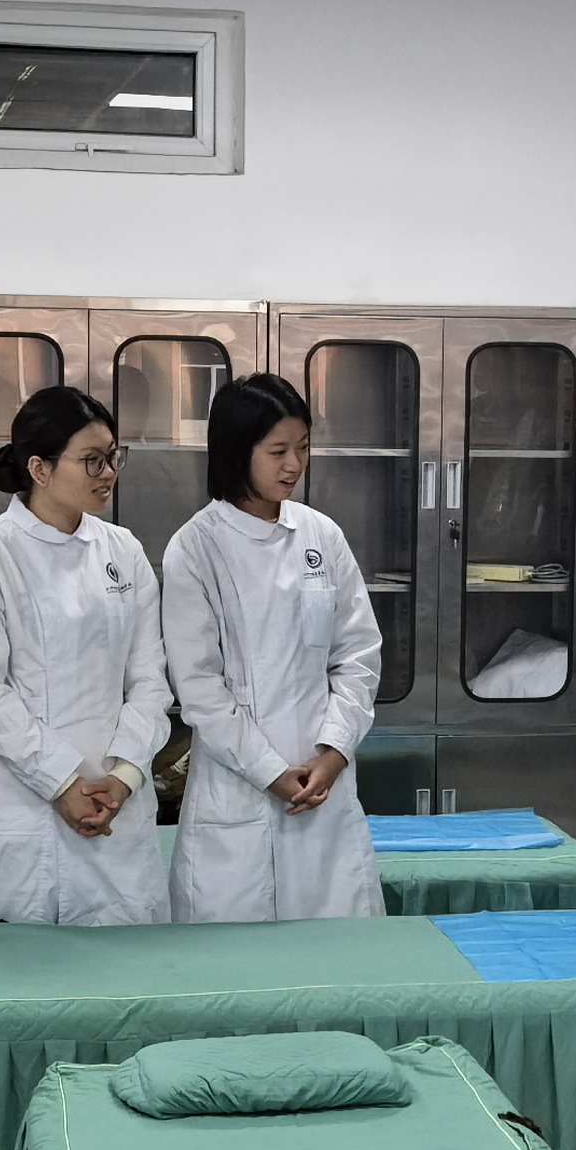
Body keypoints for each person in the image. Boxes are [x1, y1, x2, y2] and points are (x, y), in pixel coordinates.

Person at [0, 384, 171, 926]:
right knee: (19, 969)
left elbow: (150, 681)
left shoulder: (123, 550)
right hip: (23, 811)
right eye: (91, 460)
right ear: (39, 469)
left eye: (112, 457)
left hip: (116, 808)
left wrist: (126, 774)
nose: (107, 473)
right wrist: (62, 782)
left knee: (126, 968)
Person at [162, 375, 383, 924]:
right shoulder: (195, 547)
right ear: (238, 451)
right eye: (278, 451)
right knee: (237, 960)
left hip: (323, 780)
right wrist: (270, 772)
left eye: (303, 447)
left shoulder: (321, 536)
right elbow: (199, 687)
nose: (294, 465)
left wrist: (334, 753)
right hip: (237, 791)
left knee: (334, 953)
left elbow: (357, 654)